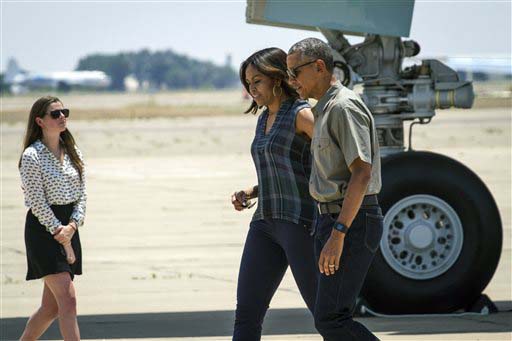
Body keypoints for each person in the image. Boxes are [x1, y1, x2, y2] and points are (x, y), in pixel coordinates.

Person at [287, 38, 383, 340]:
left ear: (318, 66)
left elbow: (362, 173)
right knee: (329, 317)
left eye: (295, 72)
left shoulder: (343, 107)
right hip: (330, 221)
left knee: (331, 320)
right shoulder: (323, 110)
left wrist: (338, 234)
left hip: (350, 222)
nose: (292, 81)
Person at [231, 47, 318, 341]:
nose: (252, 89)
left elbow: (334, 161)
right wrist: (252, 190)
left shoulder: (302, 114)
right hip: (264, 223)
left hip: (299, 223)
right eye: (248, 83)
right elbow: (281, 166)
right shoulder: (263, 118)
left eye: (257, 81)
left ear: (276, 78)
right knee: (246, 315)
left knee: (326, 316)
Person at [19, 96, 86, 340]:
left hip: (69, 226)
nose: (62, 117)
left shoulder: (73, 152)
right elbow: (37, 202)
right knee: (68, 301)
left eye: (64, 112)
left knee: (52, 308)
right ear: (40, 121)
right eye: (55, 114)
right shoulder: (31, 156)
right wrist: (62, 235)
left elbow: (82, 194)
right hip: (45, 231)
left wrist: (73, 225)